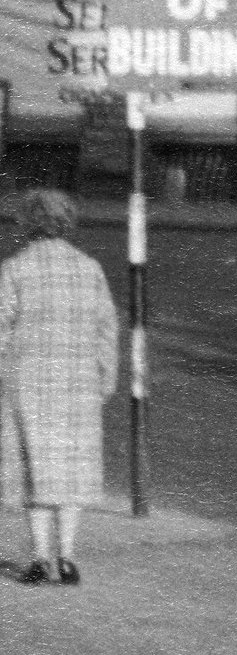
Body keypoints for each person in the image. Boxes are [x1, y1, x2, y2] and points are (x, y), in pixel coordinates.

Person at [0, 189, 119, 586]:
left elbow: (1, 328)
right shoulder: (90, 269)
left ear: (28, 224)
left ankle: (37, 558)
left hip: (28, 380)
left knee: (35, 468)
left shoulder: (15, 269)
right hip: (78, 381)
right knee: (71, 470)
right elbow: (106, 328)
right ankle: (67, 558)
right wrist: (106, 377)